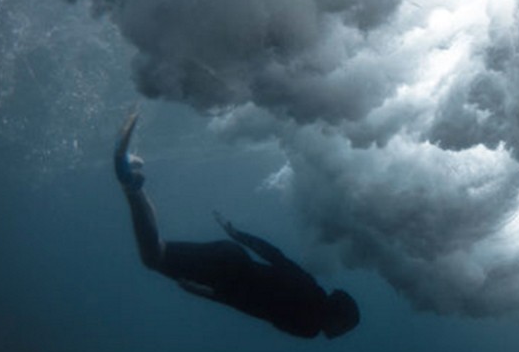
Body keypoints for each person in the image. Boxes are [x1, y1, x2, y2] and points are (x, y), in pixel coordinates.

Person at [113, 110, 359, 339]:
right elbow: (255, 306)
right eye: (343, 329)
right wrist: (208, 294)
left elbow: (273, 254)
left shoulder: (310, 284)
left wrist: (236, 234)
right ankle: (132, 187)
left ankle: (132, 177)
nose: (339, 335)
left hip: (232, 255)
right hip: (224, 277)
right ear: (338, 318)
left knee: (159, 250)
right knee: (153, 257)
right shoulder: (308, 327)